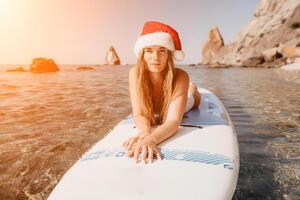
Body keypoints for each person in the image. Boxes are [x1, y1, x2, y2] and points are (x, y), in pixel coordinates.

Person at [122, 21, 201, 164]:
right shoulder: (135, 73)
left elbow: (173, 121)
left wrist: (151, 140)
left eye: (162, 50)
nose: (155, 57)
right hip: (159, 107)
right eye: (149, 51)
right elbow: (139, 113)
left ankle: (192, 88)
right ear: (142, 54)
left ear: (169, 55)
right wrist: (145, 131)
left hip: (179, 101)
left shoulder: (181, 76)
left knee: (194, 100)